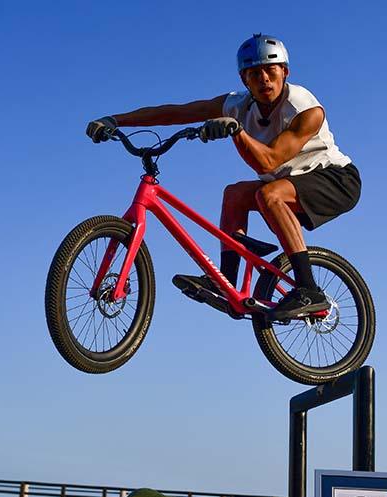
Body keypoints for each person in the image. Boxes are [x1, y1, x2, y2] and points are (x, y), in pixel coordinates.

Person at [86, 34, 361, 320]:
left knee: (269, 194)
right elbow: (177, 112)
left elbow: (268, 160)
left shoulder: (304, 108)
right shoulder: (238, 105)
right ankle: (225, 282)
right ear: (245, 80)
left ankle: (310, 290)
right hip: (289, 181)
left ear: (285, 73)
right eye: (255, 73)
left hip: (336, 179)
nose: (264, 79)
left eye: (271, 70)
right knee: (234, 195)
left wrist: (236, 131)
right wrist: (116, 120)